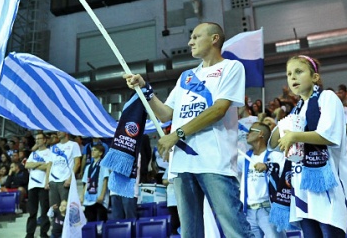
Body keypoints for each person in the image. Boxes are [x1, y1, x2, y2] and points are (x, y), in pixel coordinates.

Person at [125, 22, 252, 238]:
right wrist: (145, 89)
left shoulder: (231, 68)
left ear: (214, 39)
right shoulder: (186, 77)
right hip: (183, 164)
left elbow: (219, 109)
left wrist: (177, 134)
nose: (189, 42)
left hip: (215, 161)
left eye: (195, 36)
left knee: (234, 228)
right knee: (190, 233)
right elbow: (166, 114)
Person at [270, 55, 347, 237]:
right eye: (289, 74)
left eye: (299, 71)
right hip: (302, 190)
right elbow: (274, 144)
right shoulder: (296, 110)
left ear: (315, 77)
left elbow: (328, 136)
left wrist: (293, 135)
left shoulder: (327, 98)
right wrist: (275, 124)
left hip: (327, 189)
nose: (293, 77)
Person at [239, 123, 286, 238]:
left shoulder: (275, 156)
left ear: (260, 134)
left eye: (251, 130)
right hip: (249, 211)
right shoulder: (243, 158)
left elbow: (283, 172)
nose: (247, 133)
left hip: (268, 209)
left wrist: (267, 166)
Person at [25, 132, 52, 238]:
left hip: (43, 184)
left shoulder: (49, 152)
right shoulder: (33, 153)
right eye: (36, 139)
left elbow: (48, 167)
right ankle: (29, 234)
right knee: (32, 212)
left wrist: (34, 165)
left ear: (44, 140)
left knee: (44, 210)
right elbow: (27, 165)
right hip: (32, 185)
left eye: (39, 139)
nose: (37, 141)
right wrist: (40, 164)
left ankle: (44, 233)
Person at [46, 131, 81, 212]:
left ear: (66, 132)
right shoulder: (53, 147)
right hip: (53, 181)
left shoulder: (73, 145)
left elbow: (77, 163)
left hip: (65, 180)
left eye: (60, 130)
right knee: (54, 209)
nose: (58, 132)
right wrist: (47, 180)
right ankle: (56, 225)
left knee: (66, 209)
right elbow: (49, 164)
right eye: (57, 131)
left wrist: (70, 178)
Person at [81, 144, 110, 222]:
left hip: (99, 198)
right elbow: (86, 182)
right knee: (90, 221)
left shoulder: (104, 165)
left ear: (100, 153)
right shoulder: (88, 167)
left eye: (95, 150)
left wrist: (102, 195)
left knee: (101, 221)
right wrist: (82, 196)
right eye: (92, 150)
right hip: (89, 198)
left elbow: (105, 181)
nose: (92, 152)